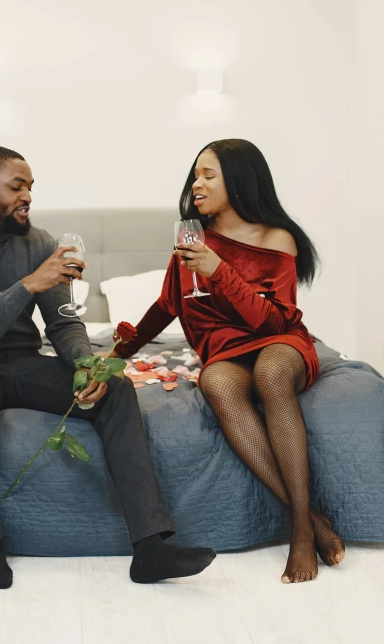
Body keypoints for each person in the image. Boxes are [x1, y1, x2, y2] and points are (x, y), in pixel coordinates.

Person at [0, 145, 215, 590]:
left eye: (30, 186)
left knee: (117, 387)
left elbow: (63, 321)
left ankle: (150, 547)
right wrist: (28, 283)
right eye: (16, 185)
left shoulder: (39, 242)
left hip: (24, 364)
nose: (28, 195)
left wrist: (87, 364)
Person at [111, 138, 345, 584]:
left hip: (278, 340)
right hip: (224, 352)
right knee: (217, 384)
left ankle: (299, 531)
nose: (196, 183)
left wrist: (219, 269)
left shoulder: (277, 239)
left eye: (208, 174)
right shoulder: (192, 237)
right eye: (195, 174)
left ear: (239, 180)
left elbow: (273, 323)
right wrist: (118, 353)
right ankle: (314, 519)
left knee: (271, 373)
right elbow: (169, 304)